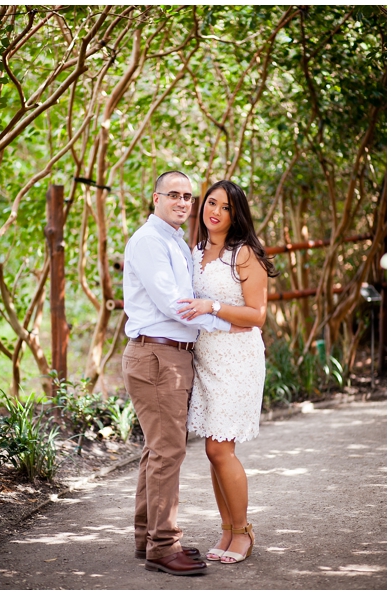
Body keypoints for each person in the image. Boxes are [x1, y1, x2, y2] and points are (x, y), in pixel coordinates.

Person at [121, 170, 251, 576]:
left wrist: (217, 319)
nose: (182, 202)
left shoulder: (174, 242)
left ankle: (148, 539)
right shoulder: (149, 242)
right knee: (168, 452)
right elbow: (173, 304)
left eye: (188, 197)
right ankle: (163, 546)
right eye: (173, 195)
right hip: (158, 356)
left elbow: (189, 299)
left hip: (168, 356)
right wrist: (225, 323)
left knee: (156, 450)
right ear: (155, 198)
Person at [178, 179, 277, 564]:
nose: (214, 211)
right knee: (213, 450)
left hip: (238, 359)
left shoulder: (244, 253)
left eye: (225, 207)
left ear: (236, 215)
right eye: (211, 203)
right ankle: (227, 530)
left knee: (220, 448)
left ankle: (243, 531)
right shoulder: (197, 249)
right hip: (205, 358)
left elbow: (257, 316)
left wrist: (212, 307)